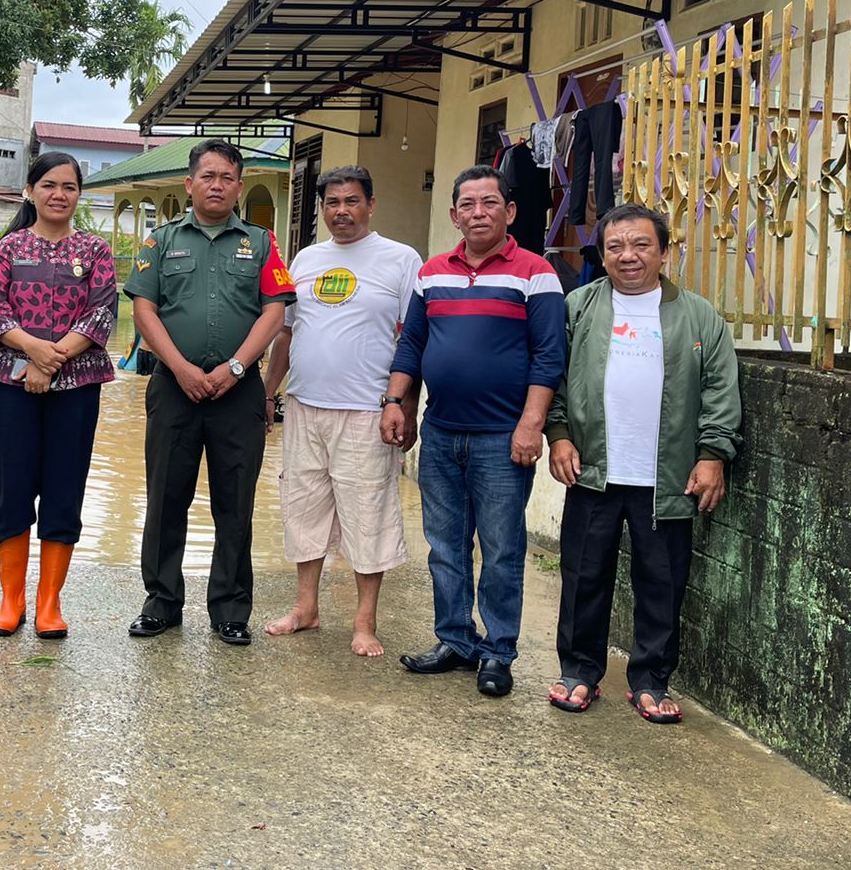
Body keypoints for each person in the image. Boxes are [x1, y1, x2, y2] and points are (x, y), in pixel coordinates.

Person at [544, 203, 740, 722]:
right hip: (593, 470)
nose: (628, 256)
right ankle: (579, 671)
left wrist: (713, 454)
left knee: (663, 582)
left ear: (663, 251)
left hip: (668, 478)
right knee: (584, 576)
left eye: (640, 245)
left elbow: (721, 389)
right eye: (615, 247)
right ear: (602, 255)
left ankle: (651, 679)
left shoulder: (699, 316)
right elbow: (553, 378)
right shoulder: (579, 307)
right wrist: (558, 435)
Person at [381, 164, 565, 696]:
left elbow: (549, 356)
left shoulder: (535, 272)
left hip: (502, 439)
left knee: (503, 548)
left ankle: (497, 651)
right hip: (439, 432)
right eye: (468, 204)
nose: (478, 212)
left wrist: (531, 426)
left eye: (490, 203)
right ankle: (456, 640)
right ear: (454, 213)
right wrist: (397, 402)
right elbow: (411, 344)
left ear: (509, 212)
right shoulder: (433, 272)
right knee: (445, 545)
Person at [125, 139, 296, 646]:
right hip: (174, 388)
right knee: (164, 498)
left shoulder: (263, 243)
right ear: (190, 183)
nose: (217, 185)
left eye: (227, 177)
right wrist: (178, 368)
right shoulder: (160, 241)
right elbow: (143, 309)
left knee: (236, 500)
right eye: (208, 176)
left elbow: (274, 310)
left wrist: (239, 367)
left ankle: (230, 609)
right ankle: (161, 603)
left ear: (239, 186)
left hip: (239, 392)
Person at [262, 165, 422, 657]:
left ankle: (364, 622)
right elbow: (286, 331)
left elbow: (414, 338)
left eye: (352, 201)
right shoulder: (306, 258)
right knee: (302, 510)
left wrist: (406, 405)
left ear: (370, 204)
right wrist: (270, 392)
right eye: (332, 203)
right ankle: (305, 609)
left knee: (366, 514)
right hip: (306, 405)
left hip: (367, 410)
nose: (341, 212)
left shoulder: (400, 260)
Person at [0, 152, 117, 639]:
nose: (59, 194)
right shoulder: (8, 249)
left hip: (78, 386)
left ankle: (49, 603)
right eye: (49, 185)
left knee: (64, 488)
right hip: (10, 382)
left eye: (70, 187)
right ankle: (10, 599)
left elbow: (101, 316)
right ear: (30, 191)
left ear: (79, 194)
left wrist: (52, 361)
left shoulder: (96, 251)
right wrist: (34, 353)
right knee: (11, 488)